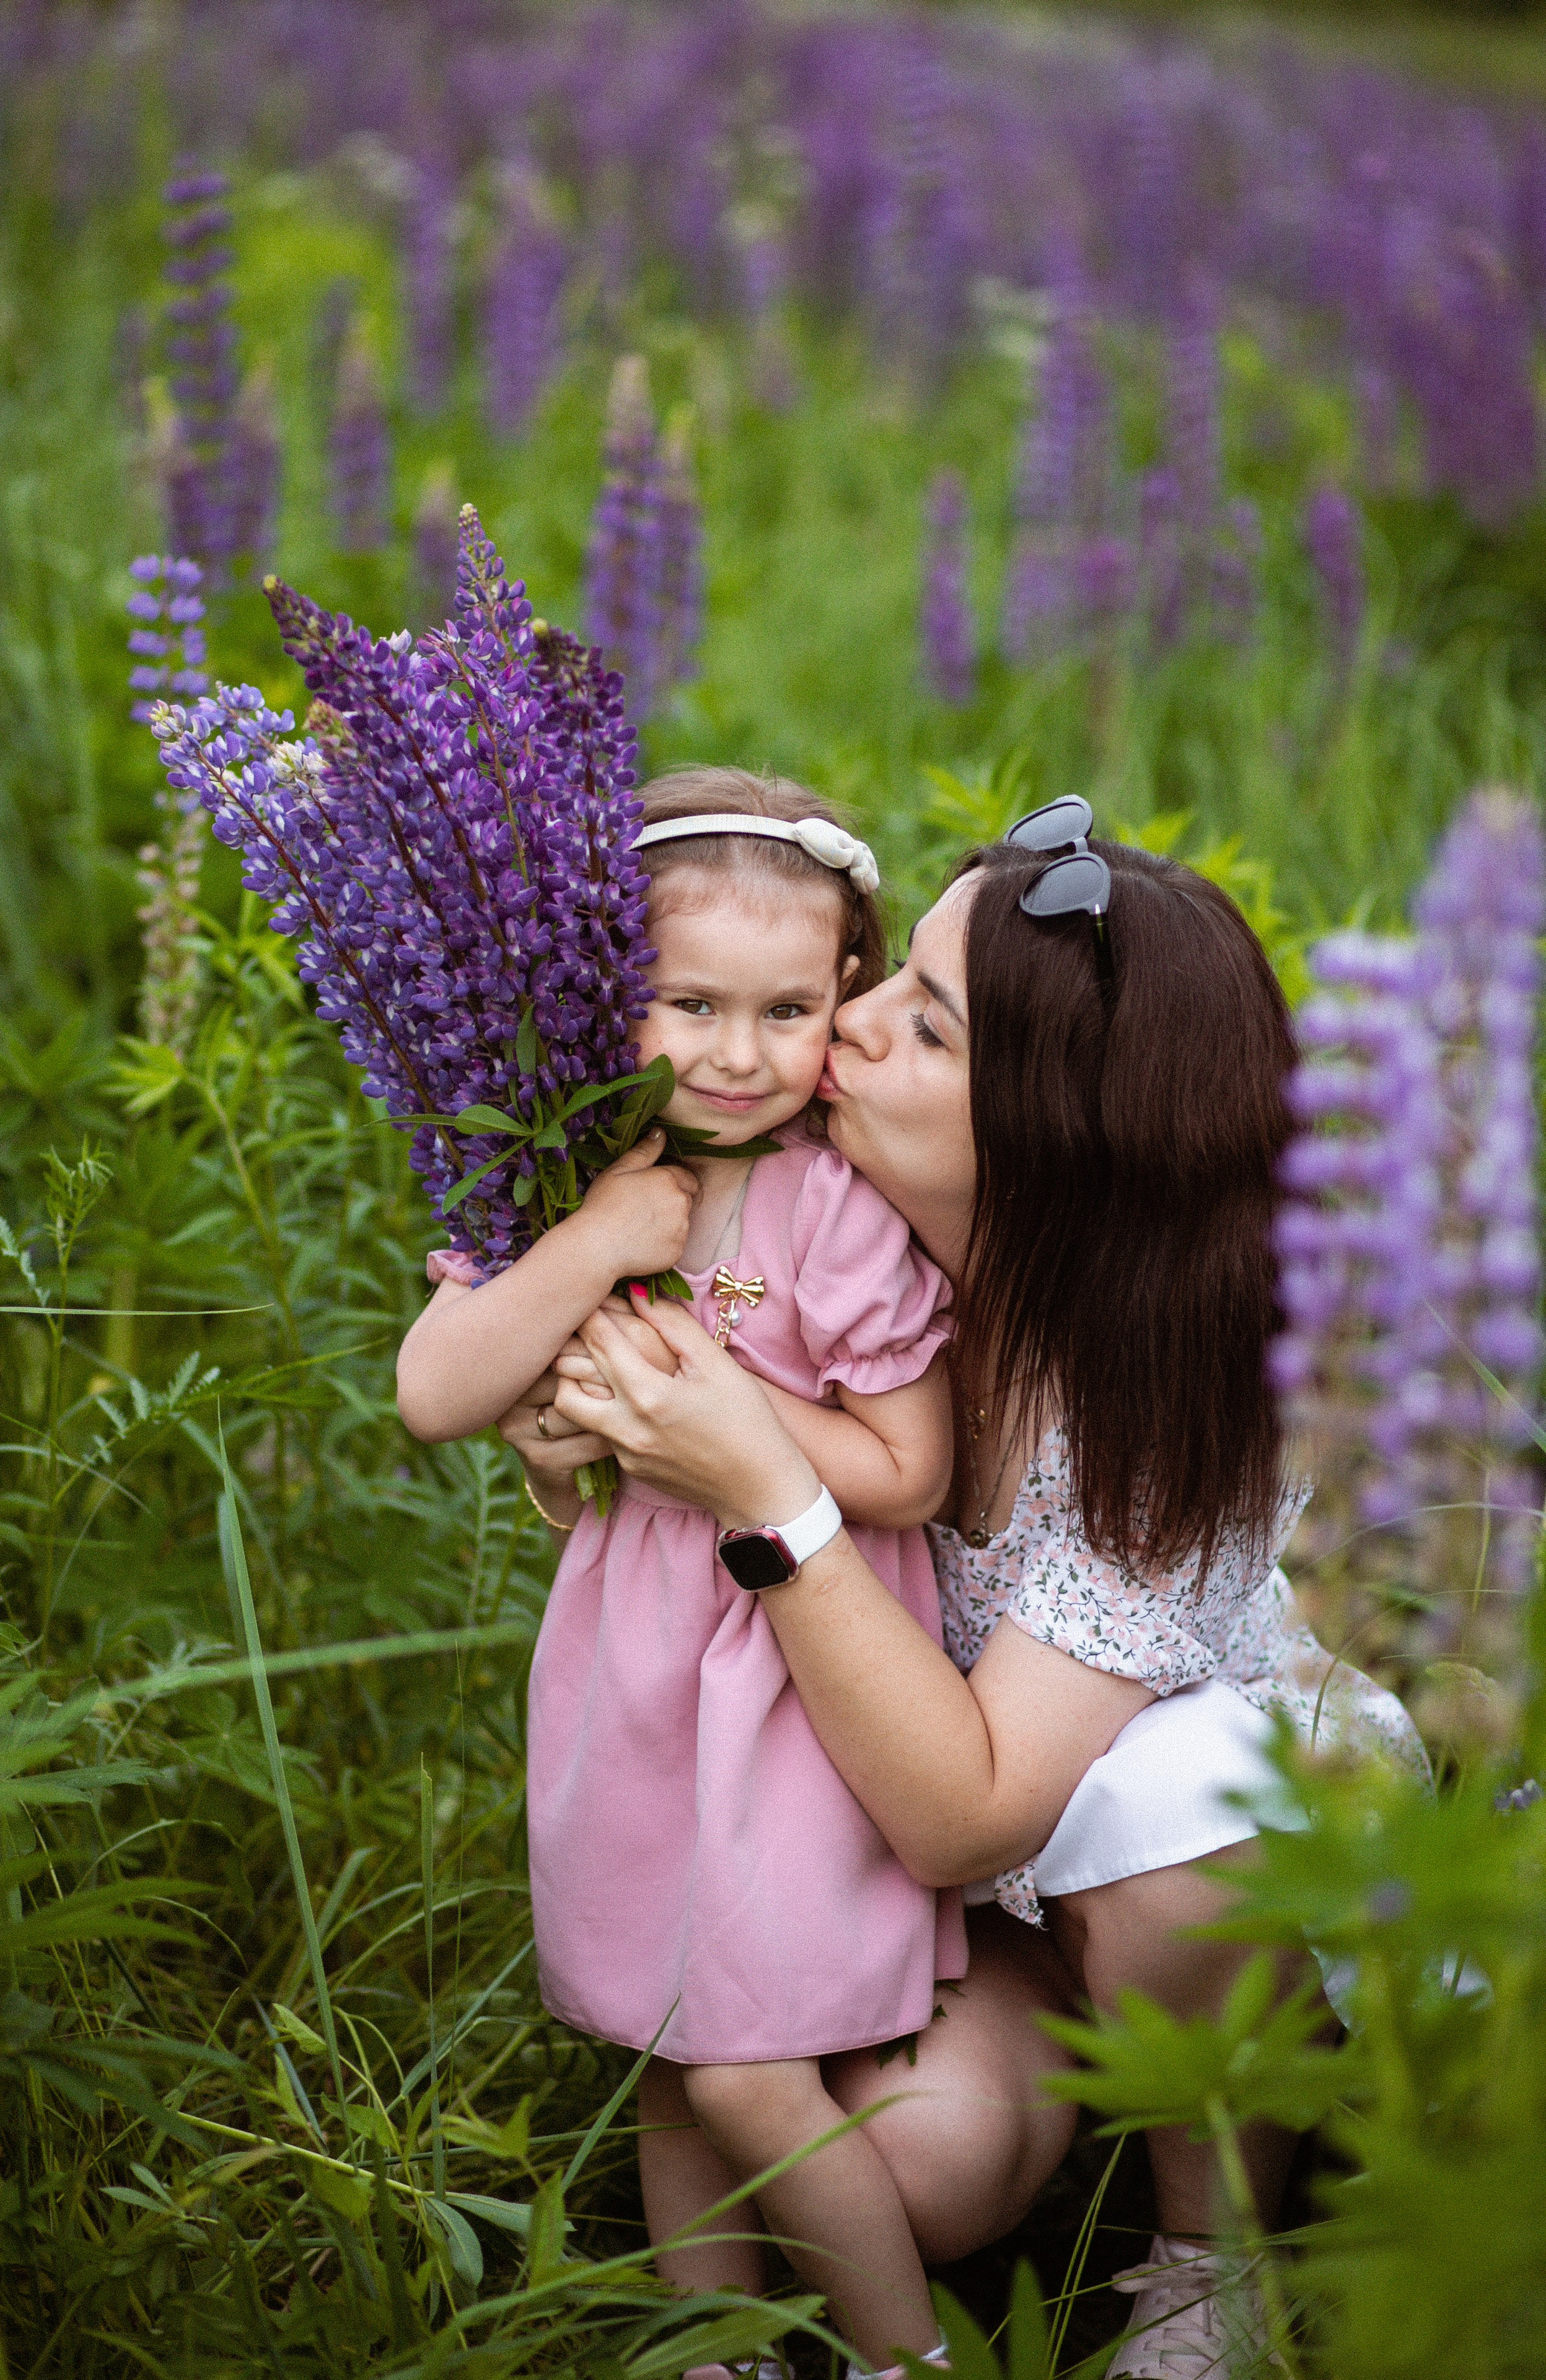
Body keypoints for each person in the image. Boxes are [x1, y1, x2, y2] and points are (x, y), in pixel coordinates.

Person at [511, 808, 1428, 2380]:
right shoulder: (851, 1239)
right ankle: (1055, 2111)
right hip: (955, 1875)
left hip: (1124, 1833)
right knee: (914, 2180)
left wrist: (759, 1492)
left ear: (1055, 1126)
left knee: (1183, 1809)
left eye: (920, 1022)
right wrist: (582, 1443)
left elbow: (972, 1810)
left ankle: (1217, 2254)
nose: (848, 1019)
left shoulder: (1169, 1404)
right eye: (889, 980)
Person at [398, 768, 969, 2379]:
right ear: (603, 996)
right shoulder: (561, 1174)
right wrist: (588, 1243)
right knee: (674, 2049)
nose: (733, 1051)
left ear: (842, 1002)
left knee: (747, 2071)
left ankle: (900, 2355)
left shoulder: (834, 1213)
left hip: (801, 1681)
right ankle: (711, 2354)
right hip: (640, 1682)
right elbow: (437, 1396)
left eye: (786, 1008)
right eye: (687, 1002)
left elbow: (909, 1466)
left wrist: (711, 1414)